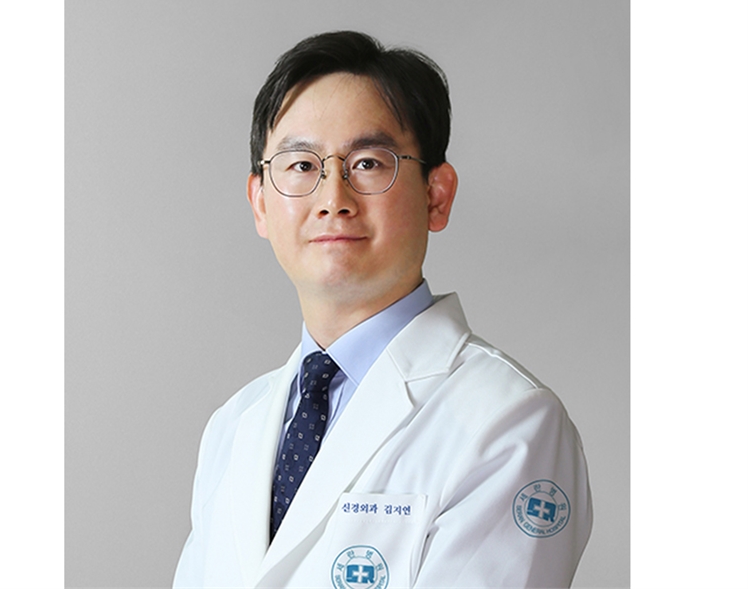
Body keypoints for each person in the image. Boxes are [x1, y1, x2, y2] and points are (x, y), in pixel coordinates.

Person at [173, 30, 592, 589]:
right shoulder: (234, 426)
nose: (333, 199)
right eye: (301, 165)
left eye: (368, 163)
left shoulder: (510, 423)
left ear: (436, 195)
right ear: (260, 203)